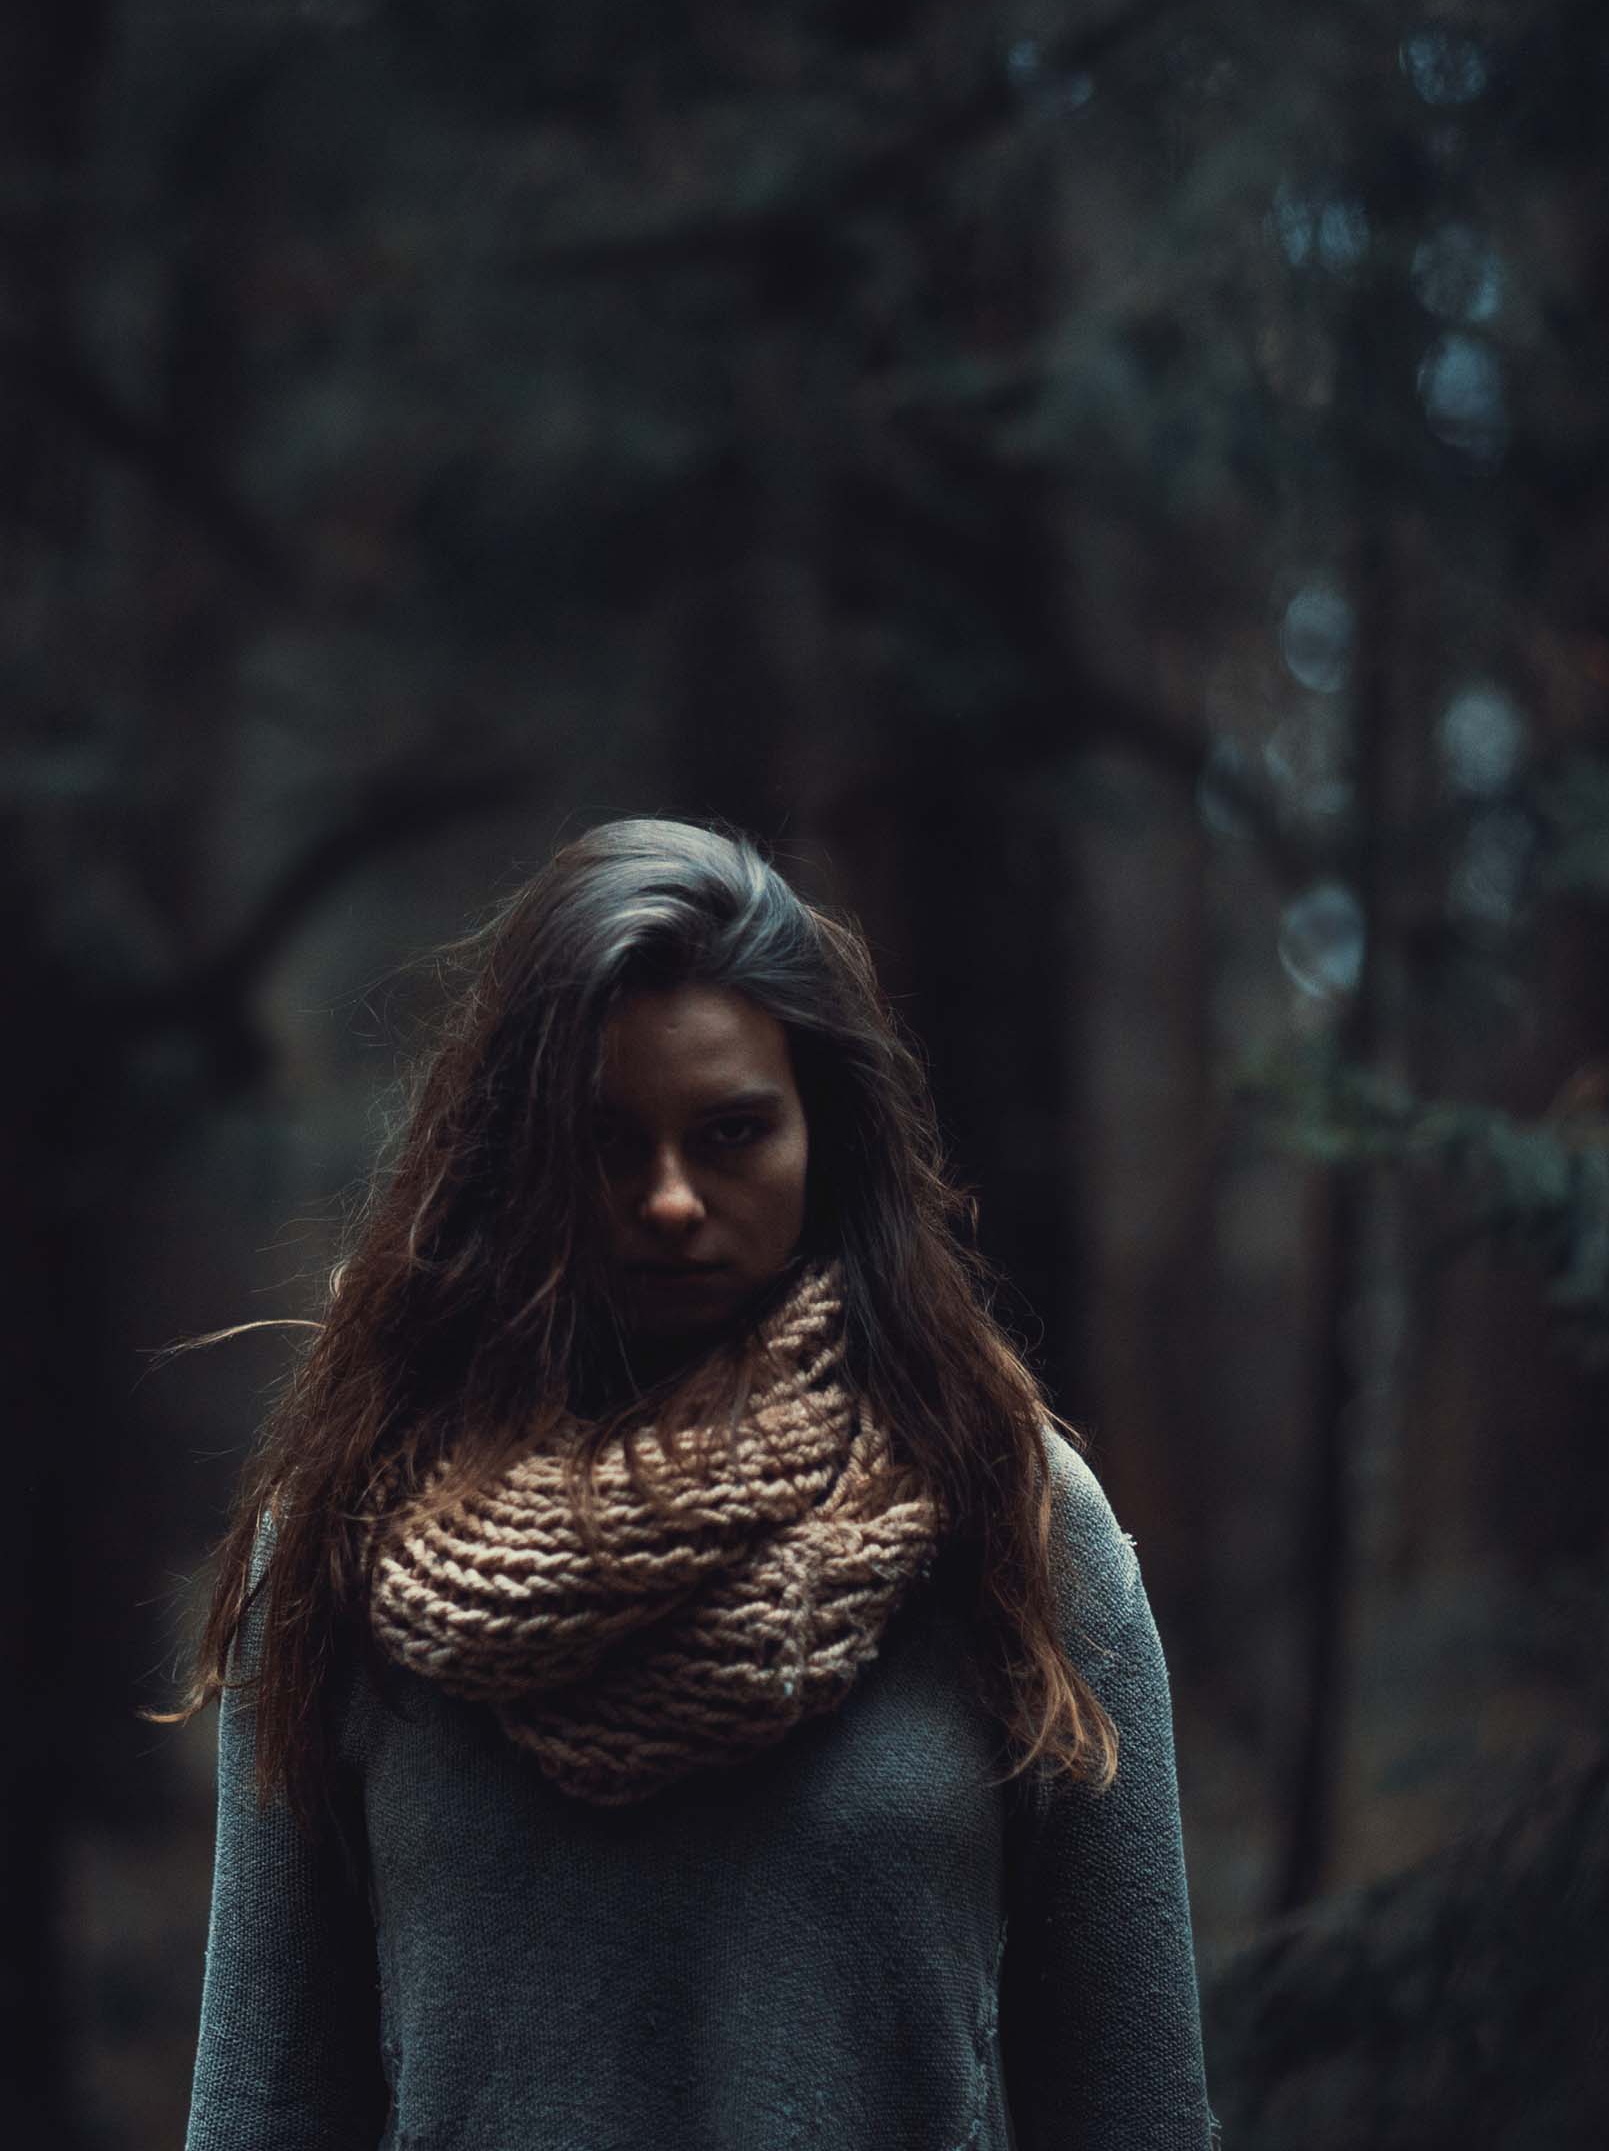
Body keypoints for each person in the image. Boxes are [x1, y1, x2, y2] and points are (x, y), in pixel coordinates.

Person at [171, 818, 1212, 2150]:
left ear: (820, 1139)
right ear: (520, 1152)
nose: (668, 1199)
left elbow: (1133, 2111)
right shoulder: (343, 1534)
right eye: (608, 1141)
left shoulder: (1009, 1516)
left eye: (729, 1133)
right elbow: (263, 2105)